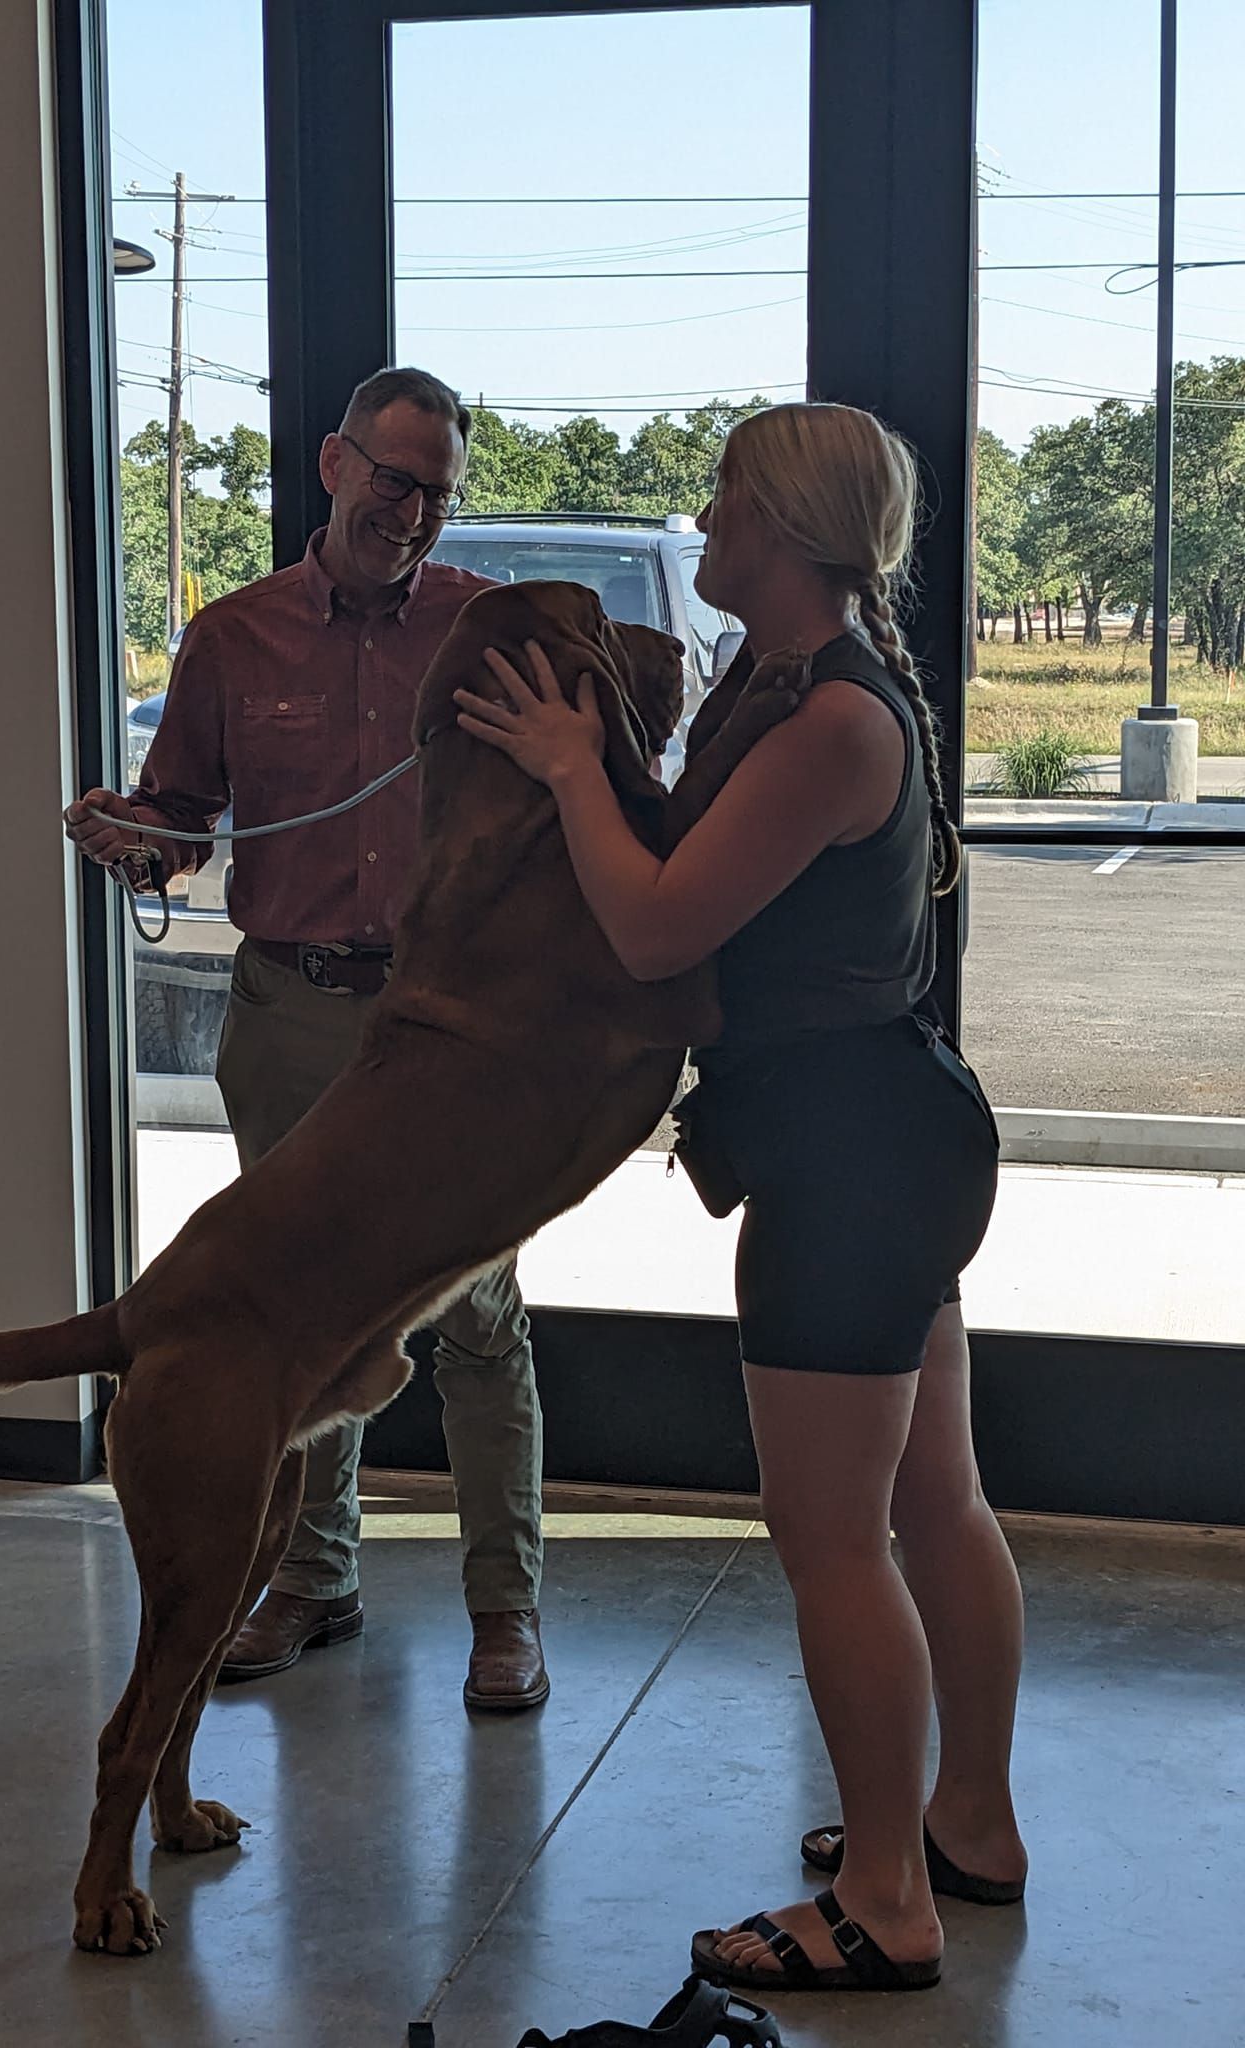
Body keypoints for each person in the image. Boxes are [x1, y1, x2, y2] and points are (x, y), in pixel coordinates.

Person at [454, 401, 1026, 1990]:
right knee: (933, 1500)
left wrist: (569, 763)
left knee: (834, 1538)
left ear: (783, 524)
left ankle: (891, 1904)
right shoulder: (792, 685)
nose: (701, 527)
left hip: (851, 1154)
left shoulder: (831, 722)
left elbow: (654, 931)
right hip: (885, 1137)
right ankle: (967, 1825)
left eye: (722, 502)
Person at [65, 367, 549, 1712]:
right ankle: (313, 1581)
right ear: (334, 467)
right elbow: (183, 827)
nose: (413, 514)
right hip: (286, 1014)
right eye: (393, 481)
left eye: (438, 493)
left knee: (476, 1316)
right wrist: (130, 848)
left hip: (448, 1030)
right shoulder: (234, 638)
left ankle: (504, 1610)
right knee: (294, 1323)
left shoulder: (483, 633)